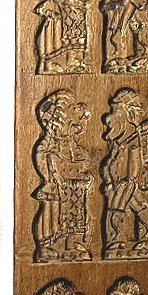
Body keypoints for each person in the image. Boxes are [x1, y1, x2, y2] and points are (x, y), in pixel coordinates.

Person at [33, 89, 93, 262]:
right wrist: (51, 172)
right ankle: (47, 245)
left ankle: (72, 244)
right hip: (55, 186)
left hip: (74, 187)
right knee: (51, 213)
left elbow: (84, 158)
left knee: (75, 214)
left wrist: (81, 167)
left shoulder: (72, 143)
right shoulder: (48, 142)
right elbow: (41, 157)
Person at [101, 88, 148, 258]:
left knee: (127, 207)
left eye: (115, 112)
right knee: (124, 207)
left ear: (128, 116)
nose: (107, 118)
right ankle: (116, 241)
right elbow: (109, 165)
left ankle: (145, 239)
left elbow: (134, 170)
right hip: (116, 186)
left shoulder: (133, 143)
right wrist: (109, 180)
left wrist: (127, 185)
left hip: (127, 185)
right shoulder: (118, 145)